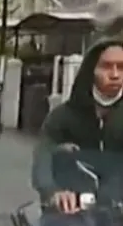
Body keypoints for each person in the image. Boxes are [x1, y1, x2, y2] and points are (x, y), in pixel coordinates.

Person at [32, 39, 123, 214]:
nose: (115, 74)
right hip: (73, 211)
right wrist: (53, 191)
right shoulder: (63, 116)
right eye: (106, 66)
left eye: (121, 67)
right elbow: (43, 154)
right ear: (91, 70)